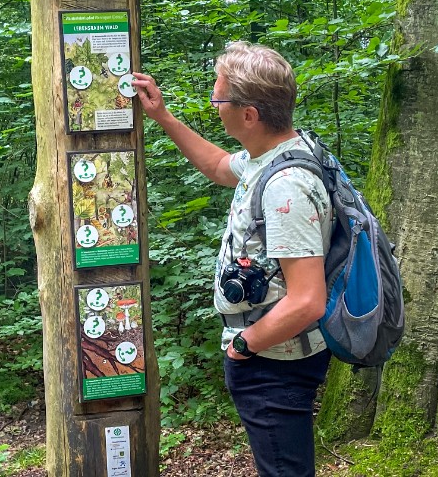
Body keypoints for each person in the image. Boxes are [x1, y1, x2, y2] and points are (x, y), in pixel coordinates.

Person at [132, 41, 333, 477]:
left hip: (274, 362)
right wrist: (163, 116)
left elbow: (308, 299)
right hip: (270, 355)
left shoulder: (286, 189)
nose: (212, 103)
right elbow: (221, 166)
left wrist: (244, 346)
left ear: (249, 114)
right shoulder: (271, 156)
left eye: (219, 97)